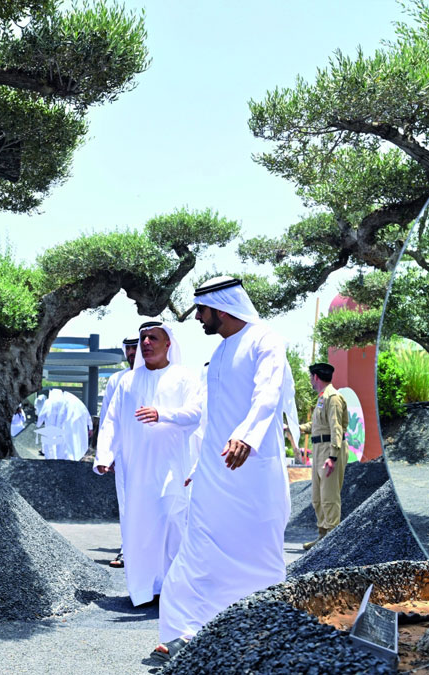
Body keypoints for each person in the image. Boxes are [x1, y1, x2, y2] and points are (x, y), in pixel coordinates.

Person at [151, 276, 300, 667]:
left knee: (260, 555)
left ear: (220, 308)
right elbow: (213, 419)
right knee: (197, 549)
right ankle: (184, 631)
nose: (198, 319)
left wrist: (247, 436)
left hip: (253, 474)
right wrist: (200, 465)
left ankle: (265, 631)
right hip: (215, 474)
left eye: (201, 311)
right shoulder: (217, 355)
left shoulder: (265, 339)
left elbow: (267, 395)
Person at [94, 321, 201, 605]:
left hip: (170, 467)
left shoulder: (184, 378)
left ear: (169, 344)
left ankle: (174, 587)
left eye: (154, 337)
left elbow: (196, 413)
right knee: (139, 527)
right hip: (135, 470)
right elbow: (112, 421)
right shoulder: (128, 381)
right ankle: (146, 589)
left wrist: (162, 414)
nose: (147, 343)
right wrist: (105, 455)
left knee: (172, 519)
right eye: (143, 338)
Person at [95, 336, 139, 569]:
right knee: (127, 502)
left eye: (136, 348)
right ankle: (127, 549)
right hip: (124, 454)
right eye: (129, 349)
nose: (132, 352)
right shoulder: (117, 379)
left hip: (158, 453)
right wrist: (106, 453)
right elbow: (107, 419)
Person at [297, 362, 349, 550]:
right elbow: (318, 425)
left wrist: (333, 456)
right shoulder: (322, 398)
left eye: (311, 377)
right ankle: (323, 537)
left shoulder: (333, 397)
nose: (310, 380)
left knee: (329, 497)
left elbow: (336, 428)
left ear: (316, 377)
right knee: (317, 498)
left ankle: (333, 542)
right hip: (319, 449)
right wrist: (297, 428)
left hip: (330, 449)